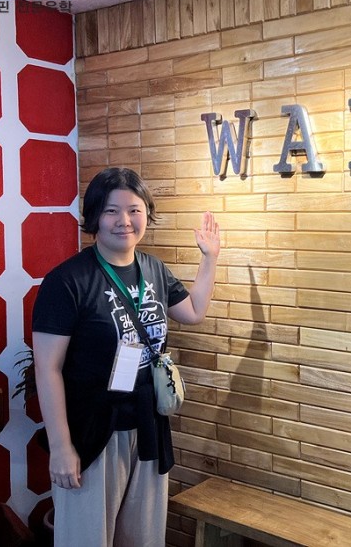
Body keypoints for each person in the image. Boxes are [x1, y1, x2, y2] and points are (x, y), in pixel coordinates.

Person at [32, 166, 220, 547]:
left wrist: (210, 257)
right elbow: (48, 368)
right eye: (111, 211)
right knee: (87, 539)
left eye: (135, 210)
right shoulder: (67, 281)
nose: (125, 221)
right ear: (95, 217)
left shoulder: (154, 269)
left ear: (147, 214)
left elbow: (193, 311)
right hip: (92, 432)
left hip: (148, 425)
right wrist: (61, 447)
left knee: (143, 538)